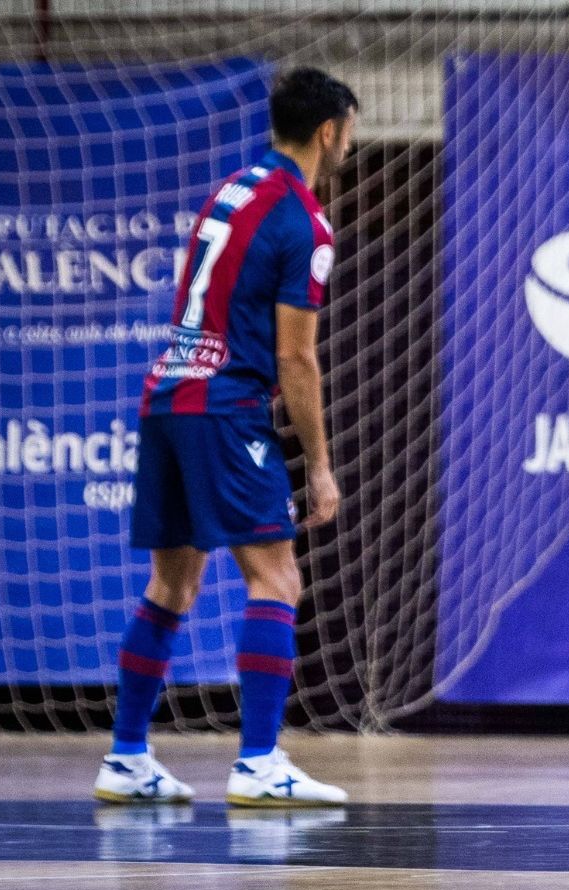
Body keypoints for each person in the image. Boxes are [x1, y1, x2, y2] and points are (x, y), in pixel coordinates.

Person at [93, 67, 356, 807]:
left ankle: (126, 757)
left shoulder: (229, 193)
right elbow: (296, 356)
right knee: (277, 579)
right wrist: (322, 466)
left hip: (167, 395)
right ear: (330, 130)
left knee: (172, 583)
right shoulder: (303, 219)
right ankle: (260, 763)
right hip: (227, 407)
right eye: (349, 133)